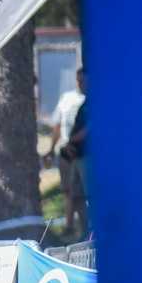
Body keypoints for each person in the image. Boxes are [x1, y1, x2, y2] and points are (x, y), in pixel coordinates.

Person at [51, 66, 88, 238]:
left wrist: (72, 141)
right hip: (73, 155)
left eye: (83, 80)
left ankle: (93, 232)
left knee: (89, 194)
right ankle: (82, 230)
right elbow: (59, 125)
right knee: (74, 194)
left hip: (87, 157)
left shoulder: (97, 102)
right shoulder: (74, 101)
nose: (80, 84)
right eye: (78, 80)